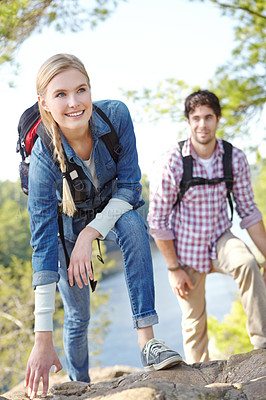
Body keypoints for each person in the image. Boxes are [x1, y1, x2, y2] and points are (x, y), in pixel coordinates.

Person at [23, 53, 182, 399]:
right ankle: (81, 384)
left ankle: (148, 343)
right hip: (65, 231)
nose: (74, 102)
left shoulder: (116, 116)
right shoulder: (43, 157)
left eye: (81, 90)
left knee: (134, 225)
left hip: (111, 209)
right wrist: (41, 338)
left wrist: (91, 232)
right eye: (61, 94)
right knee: (78, 317)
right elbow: (44, 244)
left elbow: (129, 187)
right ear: (44, 103)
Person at [148, 89, 266, 364]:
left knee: (247, 263)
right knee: (194, 324)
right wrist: (174, 268)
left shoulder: (233, 158)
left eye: (208, 117)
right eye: (196, 118)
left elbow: (249, 213)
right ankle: (199, 379)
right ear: (188, 122)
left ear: (218, 119)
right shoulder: (172, 162)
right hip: (184, 248)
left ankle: (262, 345)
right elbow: (158, 222)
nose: (203, 124)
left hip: (221, 238)